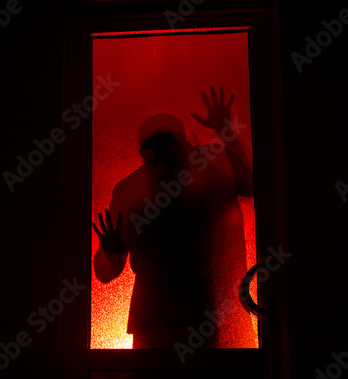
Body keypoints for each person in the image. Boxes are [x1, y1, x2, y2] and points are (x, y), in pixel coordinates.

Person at [92, 87, 255, 349]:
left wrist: (225, 130)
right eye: (154, 162)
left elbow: (256, 187)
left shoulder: (215, 163)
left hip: (217, 321)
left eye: (170, 158)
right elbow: (104, 272)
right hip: (163, 329)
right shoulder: (131, 191)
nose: (164, 169)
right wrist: (110, 253)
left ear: (187, 145)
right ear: (142, 157)